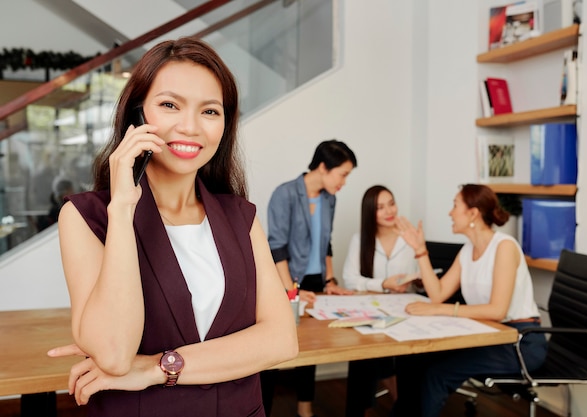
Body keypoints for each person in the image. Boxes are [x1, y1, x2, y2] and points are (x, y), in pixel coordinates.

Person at [47, 37, 298, 417]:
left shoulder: (240, 217)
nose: (190, 126)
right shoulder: (89, 216)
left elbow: (281, 341)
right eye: (169, 105)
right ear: (138, 115)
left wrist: (154, 367)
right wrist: (122, 208)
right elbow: (114, 354)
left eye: (210, 111)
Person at [392, 184, 547, 417]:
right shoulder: (468, 250)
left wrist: (438, 310)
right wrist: (420, 250)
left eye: (455, 205)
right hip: (491, 336)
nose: (450, 213)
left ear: (473, 213)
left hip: (520, 342)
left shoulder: (504, 247)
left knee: (438, 374)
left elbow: (497, 309)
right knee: (414, 360)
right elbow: (438, 293)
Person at [262, 139, 357, 417]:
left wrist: (330, 281)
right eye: (343, 174)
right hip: (287, 283)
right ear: (324, 167)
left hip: (316, 283)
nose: (344, 182)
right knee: (276, 348)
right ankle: (262, 410)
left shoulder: (330, 198)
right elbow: (276, 246)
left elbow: (326, 243)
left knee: (312, 349)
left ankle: (305, 407)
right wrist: (291, 291)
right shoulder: (286, 194)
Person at [342, 185, 417, 417]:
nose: (388, 211)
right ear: (369, 212)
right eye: (380, 207)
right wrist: (383, 284)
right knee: (365, 353)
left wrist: (417, 281)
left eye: (391, 203)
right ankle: (365, 409)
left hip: (405, 311)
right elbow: (349, 279)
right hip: (371, 312)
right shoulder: (361, 239)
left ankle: (402, 407)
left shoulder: (409, 237)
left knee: (384, 356)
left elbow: (419, 273)